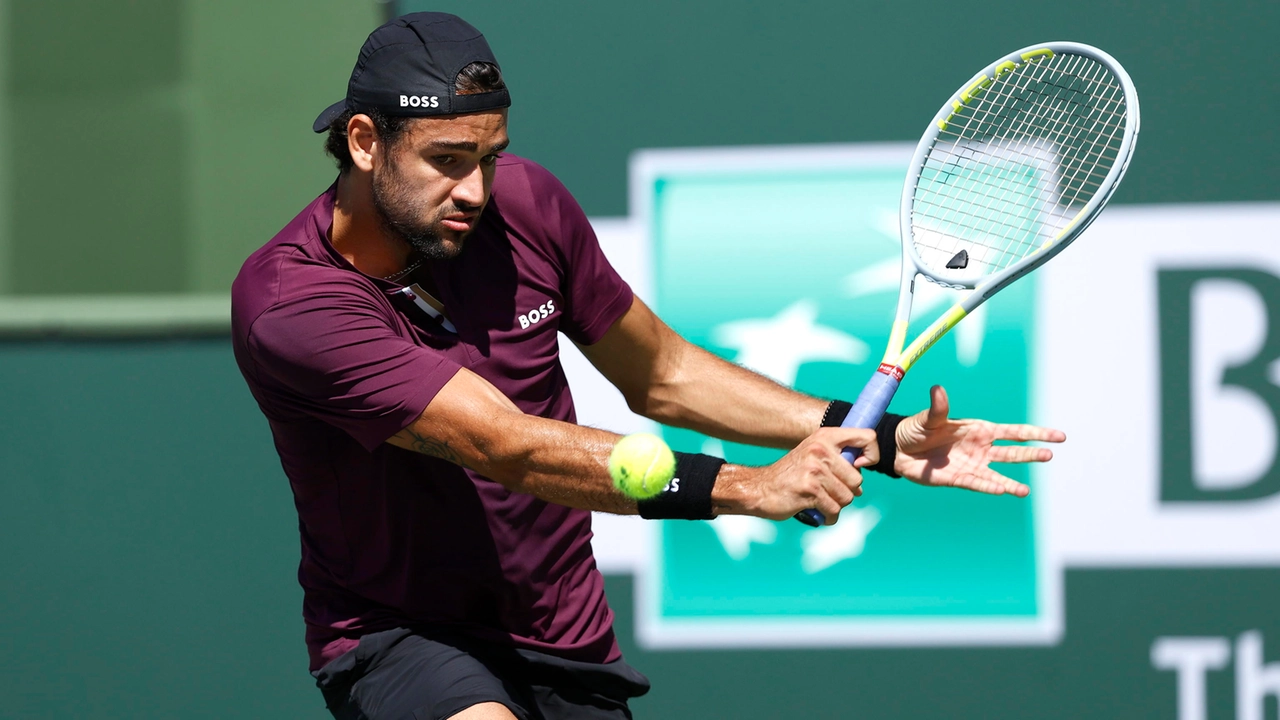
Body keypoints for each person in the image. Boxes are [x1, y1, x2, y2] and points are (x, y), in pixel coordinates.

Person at [231, 12, 1065, 720]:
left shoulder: (527, 205)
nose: (477, 189)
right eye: (448, 160)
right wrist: (749, 487)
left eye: (488, 157)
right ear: (367, 142)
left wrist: (875, 437)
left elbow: (662, 374)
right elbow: (504, 446)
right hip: (403, 633)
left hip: (562, 631)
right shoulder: (293, 306)